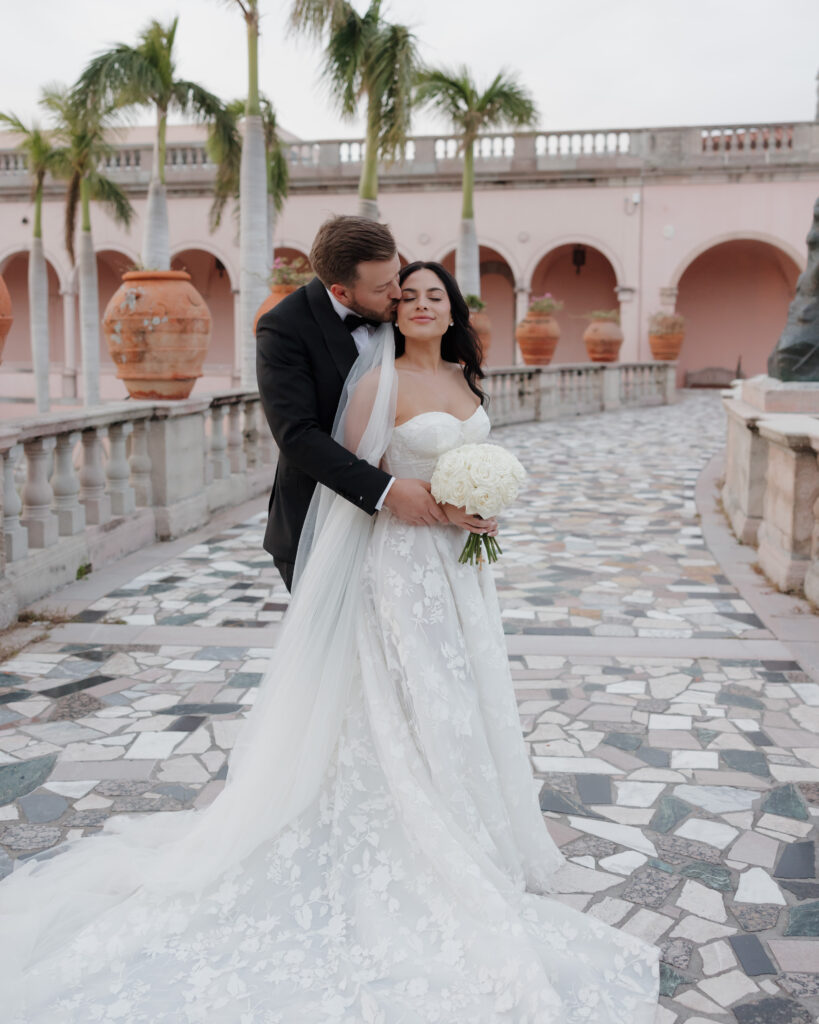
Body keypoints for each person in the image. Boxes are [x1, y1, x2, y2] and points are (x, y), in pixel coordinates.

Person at [0, 261, 659, 1022]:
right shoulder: (374, 383)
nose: (417, 304)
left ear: (452, 310)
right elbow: (350, 485)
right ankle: (417, 834)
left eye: (432, 295)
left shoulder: (466, 380)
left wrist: (481, 509)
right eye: (406, 295)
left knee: (458, 691)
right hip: (400, 567)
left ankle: (469, 824)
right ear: (392, 310)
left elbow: (471, 466)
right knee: (406, 696)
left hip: (459, 574)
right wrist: (435, 510)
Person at [256, 215, 450, 591]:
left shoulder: (400, 302)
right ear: (341, 292)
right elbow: (296, 435)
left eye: (397, 274)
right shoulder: (282, 328)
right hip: (318, 524)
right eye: (384, 287)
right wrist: (387, 491)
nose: (399, 292)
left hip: (408, 535)